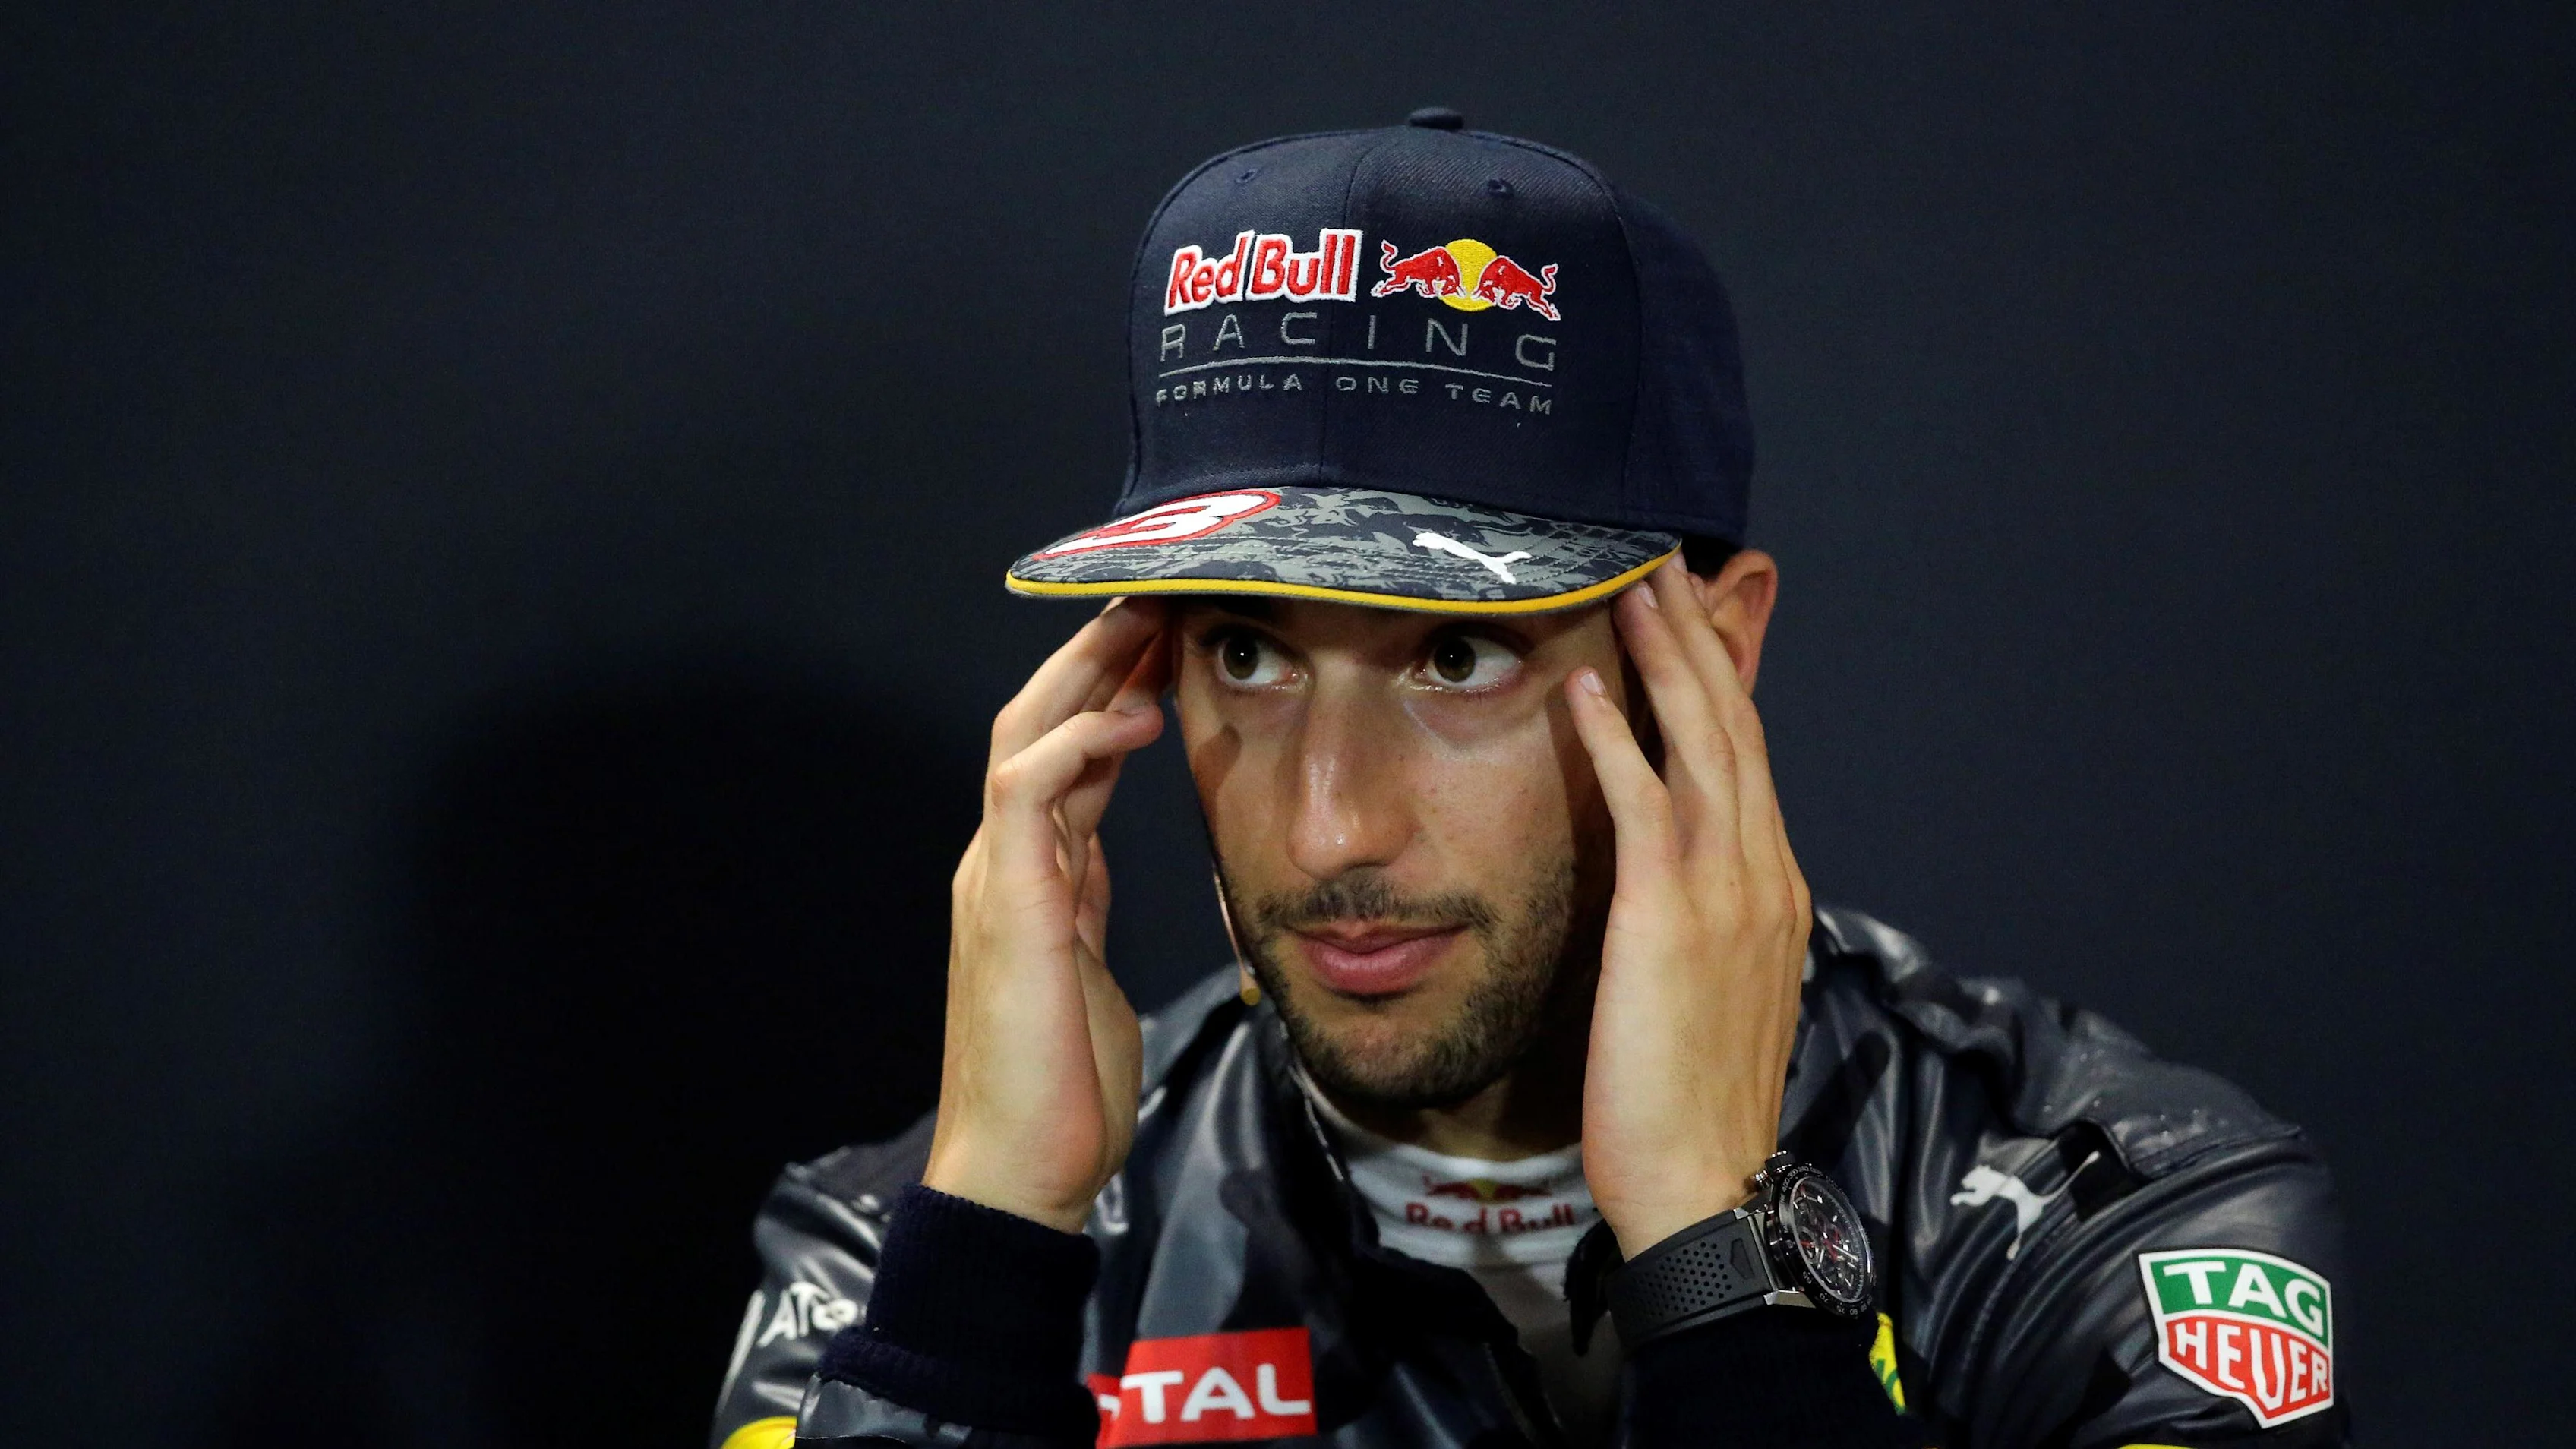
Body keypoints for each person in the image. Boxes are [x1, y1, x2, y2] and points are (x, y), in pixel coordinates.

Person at [709, 111, 2345, 1449]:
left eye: (1457, 657)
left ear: (1715, 647)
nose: (1328, 826)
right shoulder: (906, 1254)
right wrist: (986, 1261)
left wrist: (1720, 1256)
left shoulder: (2109, 1213)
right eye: (1247, 654)